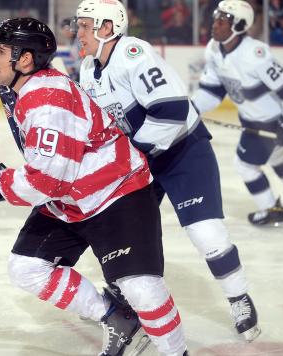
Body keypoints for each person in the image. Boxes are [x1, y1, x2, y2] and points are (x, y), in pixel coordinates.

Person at [0, 17, 189, 356]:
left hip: (116, 193)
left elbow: (46, 181)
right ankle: (116, 319)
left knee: (141, 288)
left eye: (1, 50)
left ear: (25, 59)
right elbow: (50, 170)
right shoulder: (16, 88)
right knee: (27, 268)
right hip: (72, 197)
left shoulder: (48, 97)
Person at [76, 0, 260, 342]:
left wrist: (134, 154)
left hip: (182, 152)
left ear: (106, 28)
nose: (78, 32)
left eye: (86, 25)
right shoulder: (88, 68)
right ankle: (126, 298)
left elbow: (172, 110)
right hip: (142, 158)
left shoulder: (133, 53)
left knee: (206, 234)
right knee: (121, 232)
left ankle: (239, 297)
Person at [191, 0, 283, 226]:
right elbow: (212, 91)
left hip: (270, 121)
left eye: (223, 20)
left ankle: (271, 208)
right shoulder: (213, 49)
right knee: (276, 155)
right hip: (253, 119)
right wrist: (191, 108)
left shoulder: (256, 54)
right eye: (216, 18)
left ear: (239, 26)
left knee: (244, 165)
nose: (215, 24)